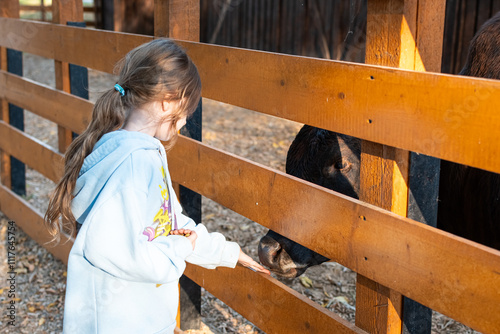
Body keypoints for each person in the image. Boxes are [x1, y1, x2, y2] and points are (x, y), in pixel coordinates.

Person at [44, 38, 270, 334]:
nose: (186, 120)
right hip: (120, 322)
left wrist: (226, 252)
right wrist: (178, 247)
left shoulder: (138, 151)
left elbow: (171, 224)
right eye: (187, 108)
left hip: (141, 316)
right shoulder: (134, 164)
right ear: (168, 100)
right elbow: (124, 251)